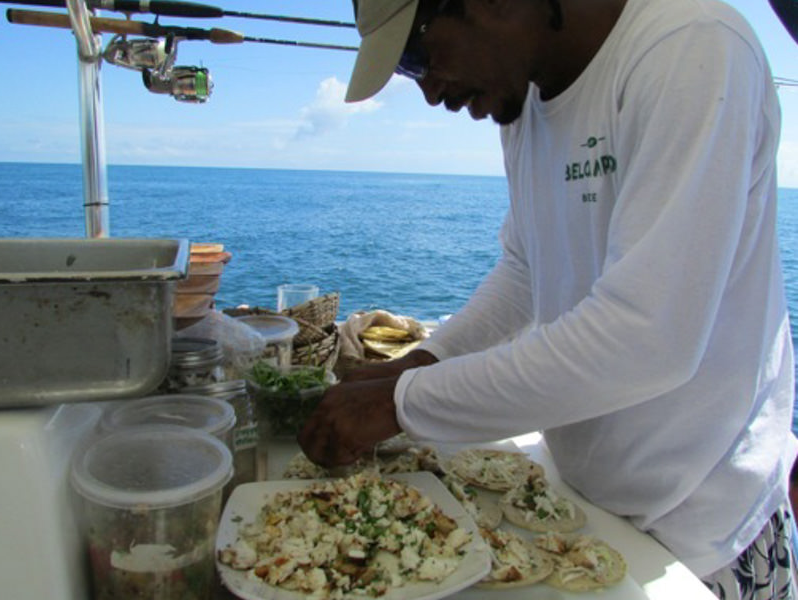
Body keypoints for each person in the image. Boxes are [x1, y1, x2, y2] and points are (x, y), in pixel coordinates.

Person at [297, 0, 798, 597]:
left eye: (417, 55)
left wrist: (401, 404)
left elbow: (648, 338)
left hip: (700, 533)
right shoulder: (524, 98)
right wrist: (416, 365)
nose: (429, 90)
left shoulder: (690, 46)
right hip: (581, 505)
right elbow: (525, 271)